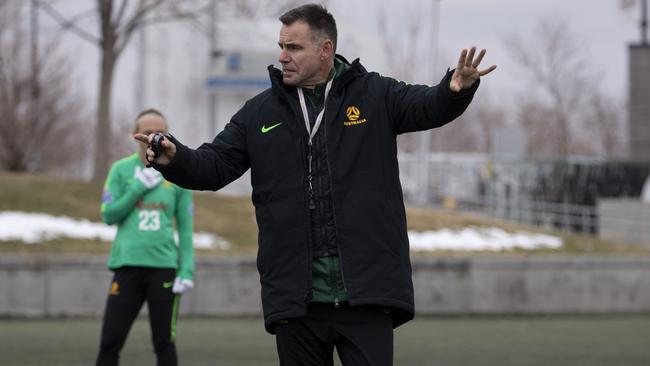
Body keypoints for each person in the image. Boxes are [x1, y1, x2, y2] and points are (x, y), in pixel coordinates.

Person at [136, 4, 495, 365]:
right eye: (281, 46)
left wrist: (454, 90)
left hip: (366, 293)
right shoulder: (258, 112)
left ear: (325, 50)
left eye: (293, 48)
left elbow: (426, 105)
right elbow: (213, 166)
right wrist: (176, 158)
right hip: (296, 299)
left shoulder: (376, 95)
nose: (282, 56)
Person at [97, 109, 195, 366]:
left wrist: (187, 269)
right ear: (136, 135)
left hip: (164, 270)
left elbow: (185, 228)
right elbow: (109, 215)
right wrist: (138, 188)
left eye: (159, 132)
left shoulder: (178, 174)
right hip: (127, 266)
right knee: (110, 341)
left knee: (164, 343)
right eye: (148, 132)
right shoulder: (120, 170)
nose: (153, 137)